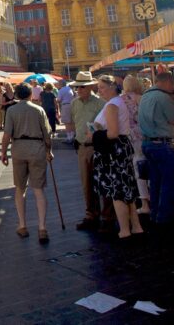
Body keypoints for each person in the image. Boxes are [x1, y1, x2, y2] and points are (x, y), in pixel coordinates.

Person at [92, 75, 144, 240]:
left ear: (112, 87)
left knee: (118, 191)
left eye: (101, 87)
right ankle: (135, 227)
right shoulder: (116, 103)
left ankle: (125, 230)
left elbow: (113, 133)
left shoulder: (112, 105)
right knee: (127, 189)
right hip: (121, 148)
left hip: (115, 150)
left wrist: (95, 134)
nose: (99, 90)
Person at [0, 84, 53, 243]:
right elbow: (47, 133)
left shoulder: (11, 110)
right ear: (31, 95)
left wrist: (3, 152)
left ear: (16, 95)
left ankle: (22, 225)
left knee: (20, 189)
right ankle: (42, 227)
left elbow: (7, 135)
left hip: (19, 149)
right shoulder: (38, 110)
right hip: (37, 149)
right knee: (38, 190)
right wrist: (48, 150)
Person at [138, 72, 174, 227]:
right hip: (161, 144)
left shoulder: (145, 96)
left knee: (155, 181)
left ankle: (155, 213)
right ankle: (165, 217)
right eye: (172, 85)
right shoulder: (163, 97)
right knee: (168, 182)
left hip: (147, 144)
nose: (173, 87)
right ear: (166, 82)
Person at [68, 71, 108, 231]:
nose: (79, 90)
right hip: (82, 148)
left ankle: (107, 216)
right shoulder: (74, 103)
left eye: (83, 87)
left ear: (91, 87)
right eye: (78, 87)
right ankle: (91, 214)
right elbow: (72, 122)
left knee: (103, 182)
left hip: (98, 147)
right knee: (86, 183)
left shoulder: (101, 103)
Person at [120, 75, 150, 215]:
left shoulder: (123, 99)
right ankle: (152, 198)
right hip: (146, 134)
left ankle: (145, 203)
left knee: (138, 169)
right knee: (149, 167)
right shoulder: (143, 98)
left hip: (131, 136)